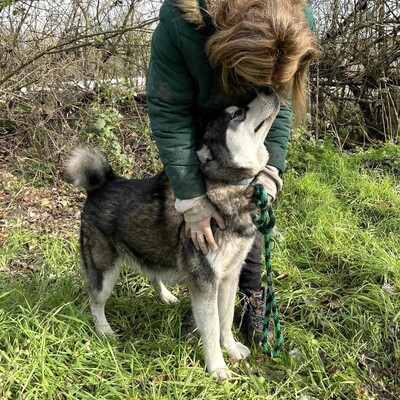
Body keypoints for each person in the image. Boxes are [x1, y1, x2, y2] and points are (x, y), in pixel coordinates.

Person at [146, 0, 318, 343]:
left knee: (249, 218)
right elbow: (169, 110)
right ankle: (203, 301)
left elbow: (276, 107)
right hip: (198, 130)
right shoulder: (181, 22)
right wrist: (192, 200)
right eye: (255, 77)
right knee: (199, 225)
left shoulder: (298, 23)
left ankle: (251, 297)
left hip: (248, 131)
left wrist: (270, 171)